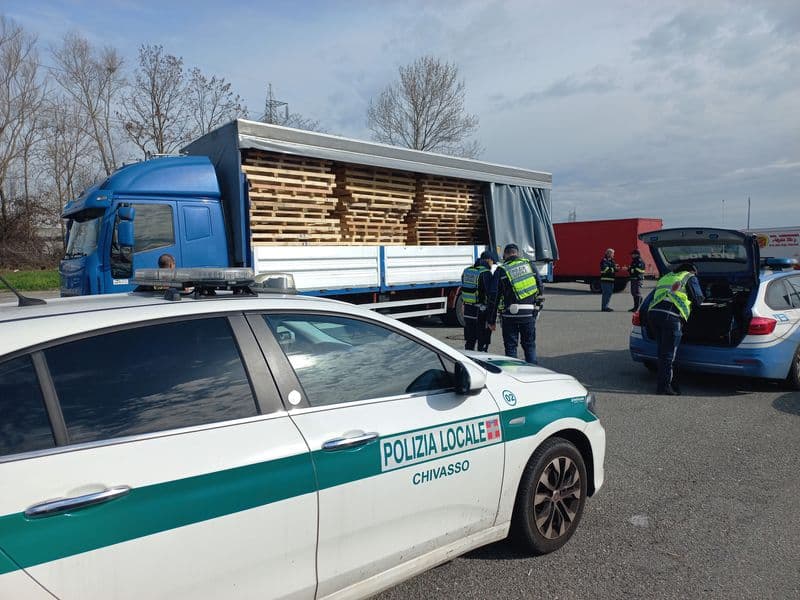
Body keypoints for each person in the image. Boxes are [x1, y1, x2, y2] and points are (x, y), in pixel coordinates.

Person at [644, 262, 704, 395]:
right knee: (668, 355)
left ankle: (666, 382)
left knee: (662, 352)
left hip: (653, 315)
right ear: (692, 270)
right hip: (670, 316)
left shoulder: (666, 277)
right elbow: (698, 298)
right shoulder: (689, 277)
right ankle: (664, 387)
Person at [487, 244, 544, 364]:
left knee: (511, 348)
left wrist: (491, 320)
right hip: (528, 314)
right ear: (517, 253)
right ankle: (533, 374)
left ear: (506, 254)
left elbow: (494, 297)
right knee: (529, 345)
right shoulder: (528, 264)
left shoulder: (501, 270)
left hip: (509, 316)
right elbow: (540, 287)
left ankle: (514, 377)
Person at [461, 250, 497, 352]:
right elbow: (490, 295)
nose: (492, 265)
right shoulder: (485, 273)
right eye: (492, 262)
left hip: (468, 311)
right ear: (488, 260)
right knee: (483, 343)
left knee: (469, 342)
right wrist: (491, 317)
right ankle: (481, 365)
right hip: (481, 313)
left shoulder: (467, 270)